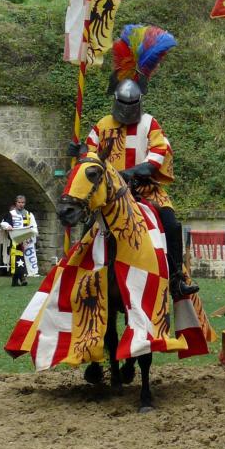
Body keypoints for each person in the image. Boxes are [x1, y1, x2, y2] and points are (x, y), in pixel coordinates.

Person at [80, 24, 198, 300]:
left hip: (145, 190)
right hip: (109, 195)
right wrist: (78, 153)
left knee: (171, 224)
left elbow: (156, 157)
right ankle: (83, 278)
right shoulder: (101, 126)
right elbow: (89, 157)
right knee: (87, 230)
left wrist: (127, 174)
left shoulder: (149, 123)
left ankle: (176, 278)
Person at [0, 194, 38, 283]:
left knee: (26, 261)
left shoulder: (29, 214)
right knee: (16, 260)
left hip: (26, 241)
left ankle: (20, 278)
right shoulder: (11, 214)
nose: (21, 204)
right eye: (19, 202)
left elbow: (34, 227)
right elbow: (3, 223)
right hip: (15, 242)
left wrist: (32, 234)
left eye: (23, 202)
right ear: (16, 203)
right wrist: (8, 226)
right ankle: (17, 279)